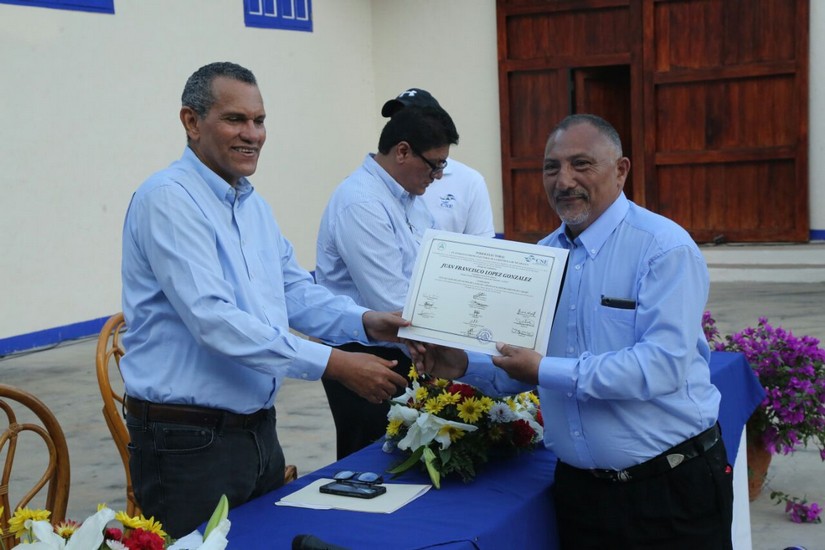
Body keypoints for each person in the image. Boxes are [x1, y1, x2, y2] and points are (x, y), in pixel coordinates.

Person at [409, 114, 733, 549]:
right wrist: (461, 364)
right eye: (551, 167)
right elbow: (518, 367)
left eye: (581, 164)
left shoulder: (662, 248)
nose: (564, 181)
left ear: (620, 171)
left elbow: (661, 367)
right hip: (581, 496)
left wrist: (544, 370)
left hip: (670, 490)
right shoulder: (541, 260)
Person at [120, 61, 408, 538]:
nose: (252, 134)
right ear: (192, 122)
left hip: (255, 430)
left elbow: (293, 291)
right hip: (187, 442)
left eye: (259, 120)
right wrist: (334, 363)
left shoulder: (250, 203)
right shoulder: (168, 199)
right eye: (235, 119)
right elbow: (215, 321)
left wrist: (367, 322)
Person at [315, 103, 459, 459]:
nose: (438, 176)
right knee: (372, 465)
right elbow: (392, 301)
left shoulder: (410, 199)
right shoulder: (360, 202)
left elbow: (434, 272)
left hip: (410, 346)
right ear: (403, 151)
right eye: (434, 165)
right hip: (366, 356)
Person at [381, 88, 495, 237]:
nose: (401, 128)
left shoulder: (470, 181)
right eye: (396, 120)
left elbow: (481, 245)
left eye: (412, 121)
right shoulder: (376, 182)